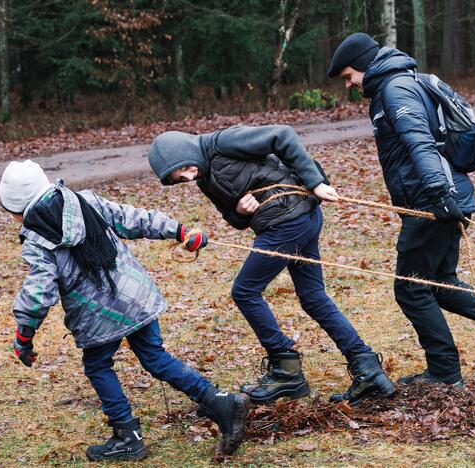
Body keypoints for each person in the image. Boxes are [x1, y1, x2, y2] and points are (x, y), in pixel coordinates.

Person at [327, 33, 475, 386]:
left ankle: (444, 373)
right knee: (441, 283)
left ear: (364, 65)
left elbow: (419, 141)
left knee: (411, 288)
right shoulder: (399, 83)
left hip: (433, 201)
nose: (350, 85)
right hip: (442, 197)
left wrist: (438, 193)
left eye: (348, 76)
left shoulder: (395, 89)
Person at [0, 160, 249, 461]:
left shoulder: (37, 241)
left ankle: (127, 436)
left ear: (17, 210)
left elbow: (39, 292)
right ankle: (220, 401)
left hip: (98, 316)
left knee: (97, 366)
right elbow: (132, 218)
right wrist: (179, 230)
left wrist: (24, 335)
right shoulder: (84, 201)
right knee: (155, 357)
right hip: (134, 296)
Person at [147, 124, 395, 405]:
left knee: (245, 291)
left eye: (185, 168)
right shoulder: (205, 178)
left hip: (289, 222)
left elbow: (283, 135)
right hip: (292, 222)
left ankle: (286, 370)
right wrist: (239, 211)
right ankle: (369, 370)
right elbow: (235, 219)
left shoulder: (222, 143)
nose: (189, 176)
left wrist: (315, 182)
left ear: (186, 151)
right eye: (180, 178)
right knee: (313, 297)